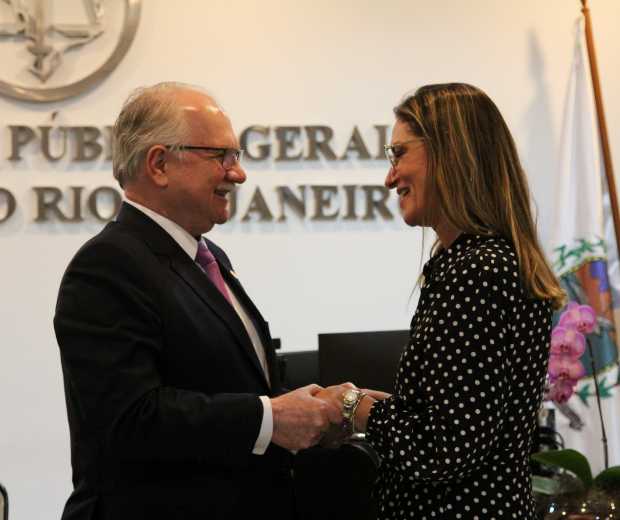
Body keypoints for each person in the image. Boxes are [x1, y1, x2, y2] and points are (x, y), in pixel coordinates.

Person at [53, 82, 341, 520]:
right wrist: (270, 418)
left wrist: (311, 407)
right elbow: (129, 418)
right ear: (159, 164)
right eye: (220, 156)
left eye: (236, 156)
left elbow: (228, 385)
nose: (238, 173)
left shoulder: (209, 258)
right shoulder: (106, 265)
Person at [325, 83, 565, 519]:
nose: (390, 178)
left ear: (449, 153)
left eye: (399, 154)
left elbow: (442, 450)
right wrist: (378, 406)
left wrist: (351, 405)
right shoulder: (479, 263)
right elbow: (458, 419)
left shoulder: (477, 272)